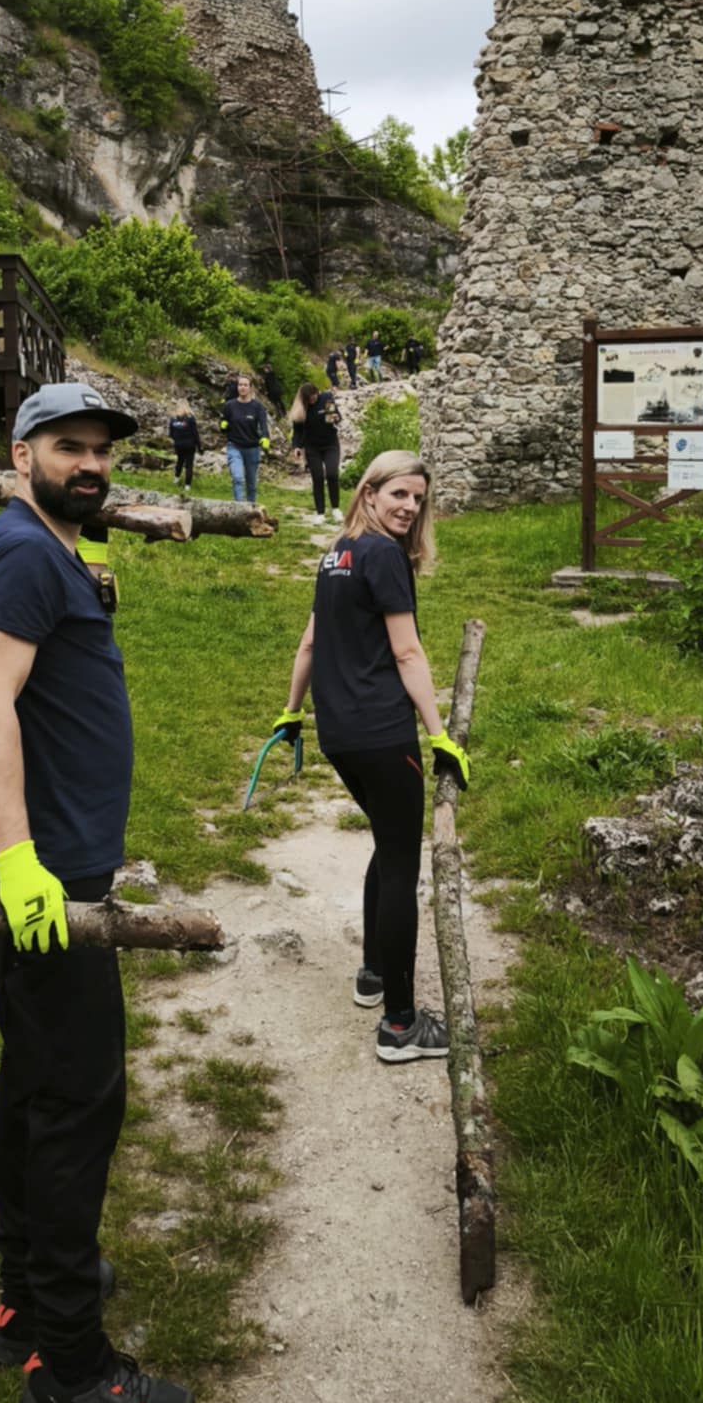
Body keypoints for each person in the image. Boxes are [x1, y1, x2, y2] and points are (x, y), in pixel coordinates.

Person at [0, 382, 195, 1403]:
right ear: (21, 451)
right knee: (80, 1100)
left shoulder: (47, 548)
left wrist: (82, 578)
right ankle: (70, 1368)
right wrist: (19, 861)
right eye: (67, 446)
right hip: (48, 876)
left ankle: (23, 1299)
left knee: (35, 1084)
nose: (89, 463)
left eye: (100, 449)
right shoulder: (14, 550)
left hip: (58, 865)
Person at [270, 450, 471, 1063]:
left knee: (387, 848)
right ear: (369, 493)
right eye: (399, 495)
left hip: (339, 733)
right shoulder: (383, 554)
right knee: (401, 866)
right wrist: (441, 736)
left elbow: (310, 640)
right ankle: (401, 1027)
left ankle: (373, 973)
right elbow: (408, 655)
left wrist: (292, 709)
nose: (409, 507)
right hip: (382, 734)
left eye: (417, 499)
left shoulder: (338, 551)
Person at [288, 380, 341, 522]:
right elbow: (297, 431)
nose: (313, 400)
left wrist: (335, 418)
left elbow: (335, 417)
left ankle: (335, 509)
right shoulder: (301, 408)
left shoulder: (326, 398)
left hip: (330, 444)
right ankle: (320, 513)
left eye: (314, 396)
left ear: (317, 392)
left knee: (332, 474)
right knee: (317, 478)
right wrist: (296, 447)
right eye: (309, 399)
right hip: (312, 447)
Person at [219, 375, 271, 504]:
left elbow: (263, 425)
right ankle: (240, 509)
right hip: (234, 446)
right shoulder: (229, 406)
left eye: (245, 385)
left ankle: (251, 511)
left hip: (252, 448)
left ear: (250, 388)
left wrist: (265, 437)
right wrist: (223, 426)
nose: (242, 387)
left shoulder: (257, 407)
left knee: (251, 484)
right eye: (240, 385)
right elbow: (223, 423)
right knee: (237, 478)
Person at [166, 404, 202, 493]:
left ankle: (176, 478)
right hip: (190, 445)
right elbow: (195, 434)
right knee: (189, 465)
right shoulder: (190, 419)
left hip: (178, 445)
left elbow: (170, 434)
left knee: (179, 461)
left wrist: (177, 440)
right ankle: (187, 485)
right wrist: (199, 446)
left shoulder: (173, 420)